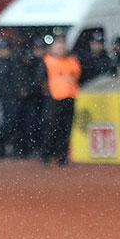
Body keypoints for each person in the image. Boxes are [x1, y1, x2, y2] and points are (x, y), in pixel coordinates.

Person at [37, 36, 81, 165]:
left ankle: (62, 156)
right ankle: (46, 155)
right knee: (51, 127)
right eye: (57, 46)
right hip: (54, 98)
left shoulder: (72, 60)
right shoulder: (47, 61)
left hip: (70, 97)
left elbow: (78, 75)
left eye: (62, 46)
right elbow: (40, 79)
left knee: (65, 128)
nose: (60, 48)